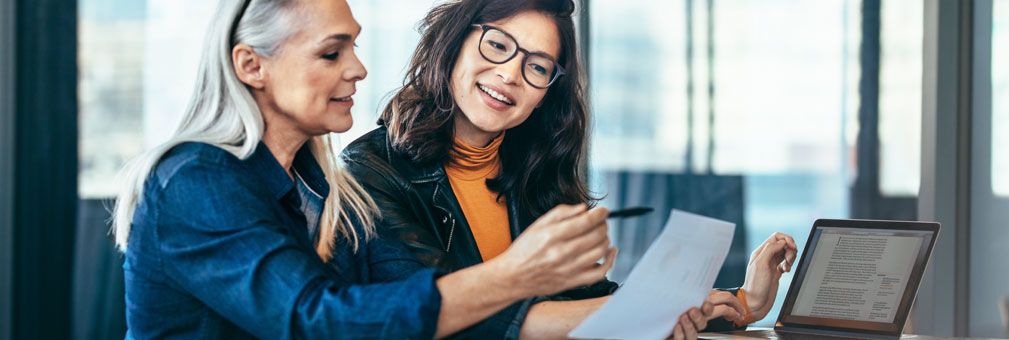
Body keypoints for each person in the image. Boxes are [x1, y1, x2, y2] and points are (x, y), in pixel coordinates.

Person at [112, 0, 622, 338]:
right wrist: (515, 273)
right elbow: (319, 321)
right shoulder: (196, 180)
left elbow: (407, 303)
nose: (358, 68)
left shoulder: (324, 188)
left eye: (353, 47)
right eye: (332, 52)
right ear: (251, 66)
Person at [340, 0, 800, 339]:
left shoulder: (535, 170)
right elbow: (447, 316)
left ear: (547, 92)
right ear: (454, 43)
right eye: (497, 44)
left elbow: (585, 301)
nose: (509, 74)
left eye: (537, 66)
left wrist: (743, 302)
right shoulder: (369, 171)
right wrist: (649, 313)